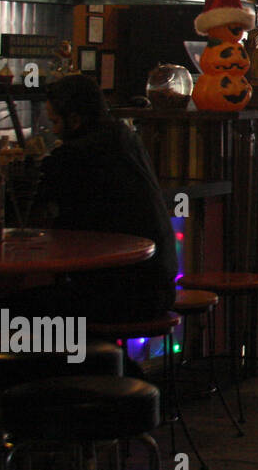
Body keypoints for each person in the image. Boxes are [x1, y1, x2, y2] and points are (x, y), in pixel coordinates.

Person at [15, 73, 177, 322]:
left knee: (10, 311)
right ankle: (99, 359)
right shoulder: (123, 137)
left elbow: (29, 197)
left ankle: (79, 360)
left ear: (76, 120)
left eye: (55, 122)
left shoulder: (79, 153)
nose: (54, 131)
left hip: (123, 295)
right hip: (157, 286)